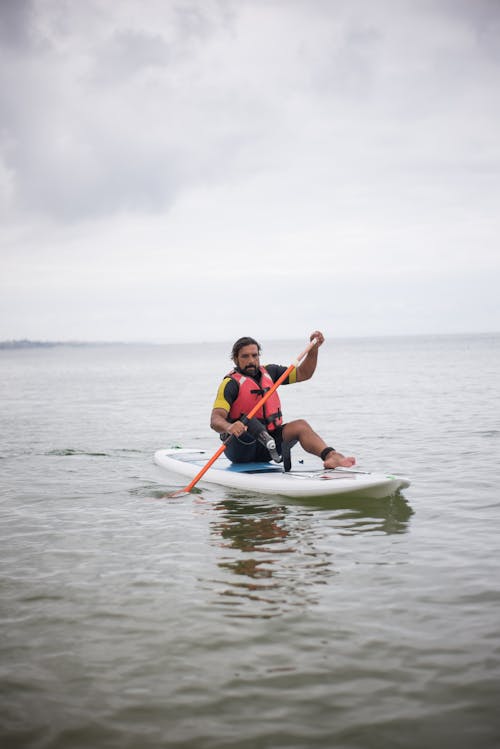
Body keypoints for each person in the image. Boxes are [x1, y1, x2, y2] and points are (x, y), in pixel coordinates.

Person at [210, 331, 356, 470]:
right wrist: (229, 427)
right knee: (250, 421)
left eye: (254, 355)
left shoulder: (271, 372)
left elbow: (304, 373)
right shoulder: (230, 383)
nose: (251, 361)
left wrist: (314, 349)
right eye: (245, 356)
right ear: (235, 359)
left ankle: (331, 456)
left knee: (301, 426)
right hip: (241, 447)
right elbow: (215, 419)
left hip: (269, 446)